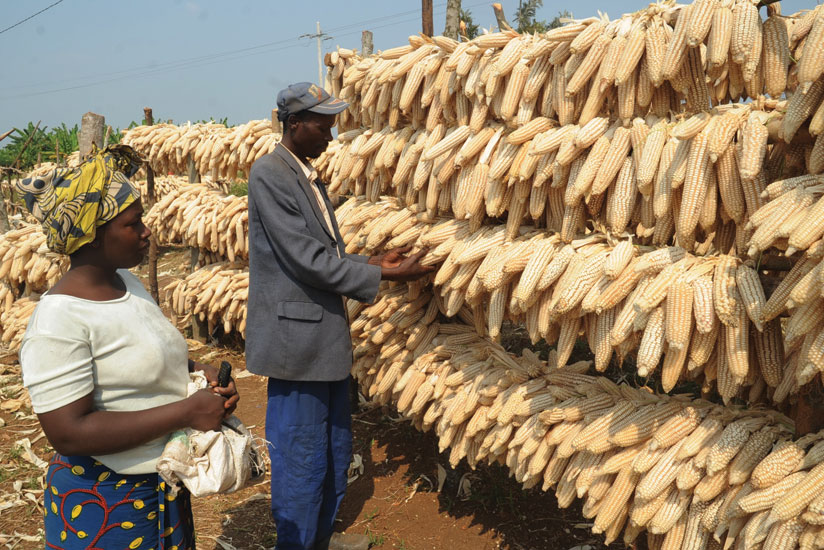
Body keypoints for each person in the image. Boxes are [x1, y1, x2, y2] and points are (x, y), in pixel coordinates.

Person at [16, 145, 240, 550]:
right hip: (105, 503)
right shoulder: (58, 321)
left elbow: (141, 351)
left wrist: (196, 369)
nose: (147, 232)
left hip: (160, 487)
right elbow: (68, 433)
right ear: (95, 235)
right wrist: (188, 410)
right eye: (134, 224)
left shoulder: (128, 285)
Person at [247, 82, 433, 550]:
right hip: (298, 341)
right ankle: (297, 541)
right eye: (322, 125)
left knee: (331, 445)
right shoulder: (270, 174)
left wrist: (376, 262)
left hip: (321, 338)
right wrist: (385, 278)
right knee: (301, 452)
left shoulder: (305, 174)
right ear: (294, 125)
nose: (331, 135)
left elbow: (327, 252)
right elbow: (305, 260)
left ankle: (320, 535)